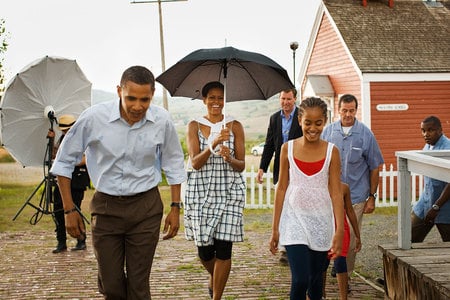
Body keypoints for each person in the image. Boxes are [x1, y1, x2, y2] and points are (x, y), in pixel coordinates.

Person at [50, 66, 186, 299]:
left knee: (138, 285)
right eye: (131, 98)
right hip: (106, 209)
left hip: (146, 208)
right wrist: (69, 210)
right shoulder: (94, 118)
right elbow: (63, 163)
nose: (138, 106)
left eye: (145, 99)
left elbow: (174, 163)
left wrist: (175, 207)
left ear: (152, 95)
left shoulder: (161, 120)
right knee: (111, 285)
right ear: (118, 91)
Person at [269, 97, 344, 300]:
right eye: (308, 123)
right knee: (300, 279)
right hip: (293, 221)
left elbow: (336, 193)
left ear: (325, 122)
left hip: (321, 222)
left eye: (318, 123)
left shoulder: (332, 152)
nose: (313, 128)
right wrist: (275, 227)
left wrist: (339, 231)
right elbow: (282, 188)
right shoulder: (288, 149)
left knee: (315, 284)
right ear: (299, 120)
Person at [184, 81, 246, 300]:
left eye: (220, 98)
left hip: (229, 193)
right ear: (204, 100)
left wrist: (229, 157)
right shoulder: (193, 125)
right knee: (204, 251)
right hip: (200, 194)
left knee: (224, 249)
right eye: (212, 97)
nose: (216, 102)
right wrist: (212, 144)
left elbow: (242, 166)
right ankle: (216, 276)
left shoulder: (235, 126)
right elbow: (195, 163)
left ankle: (216, 296)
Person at [321, 94, 384, 287]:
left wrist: (372, 197)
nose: (348, 114)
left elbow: (375, 166)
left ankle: (345, 276)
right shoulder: (328, 133)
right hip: (330, 195)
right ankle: (331, 267)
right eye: (344, 110)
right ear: (338, 110)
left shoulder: (366, 134)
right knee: (328, 233)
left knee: (349, 239)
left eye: (351, 110)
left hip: (356, 196)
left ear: (356, 110)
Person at [256, 88, 302, 264]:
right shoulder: (274, 118)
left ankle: (295, 246)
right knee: (282, 209)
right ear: (279, 99)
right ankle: (284, 248)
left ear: (295, 99)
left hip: (298, 170)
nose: (286, 102)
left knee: (296, 209)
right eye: (283, 99)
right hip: (280, 171)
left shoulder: (301, 116)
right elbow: (269, 145)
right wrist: (262, 168)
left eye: (289, 99)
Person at [48, 114, 90, 253]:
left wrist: (69, 162)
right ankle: (61, 241)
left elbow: (87, 159)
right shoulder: (61, 140)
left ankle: (81, 239)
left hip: (77, 179)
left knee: (75, 208)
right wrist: (51, 140)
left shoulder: (83, 138)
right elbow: (55, 157)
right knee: (58, 210)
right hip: (62, 180)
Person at [411, 115, 450, 243]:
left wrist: (436, 207)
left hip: (444, 205)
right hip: (426, 202)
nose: (426, 134)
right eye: (423, 130)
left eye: (430, 130)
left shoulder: (447, 148)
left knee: (447, 244)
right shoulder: (427, 147)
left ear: (440, 130)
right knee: (410, 237)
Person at [322, 182, 361, 300]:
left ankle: (344, 297)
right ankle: (321, 293)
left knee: (340, 262)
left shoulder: (344, 188)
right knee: (323, 263)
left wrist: (357, 235)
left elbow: (350, 211)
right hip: (324, 229)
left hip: (341, 230)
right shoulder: (319, 186)